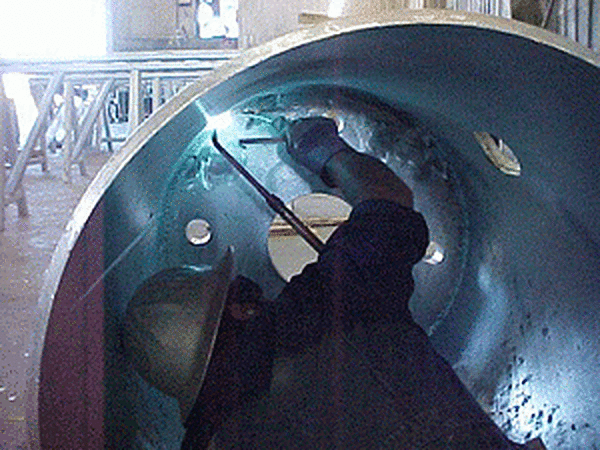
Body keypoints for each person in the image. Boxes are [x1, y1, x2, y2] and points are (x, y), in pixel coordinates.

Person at [124, 118, 545, 449]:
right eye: (242, 290)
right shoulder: (321, 314)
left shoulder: (206, 439)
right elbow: (387, 201)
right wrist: (321, 148)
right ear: (237, 309)